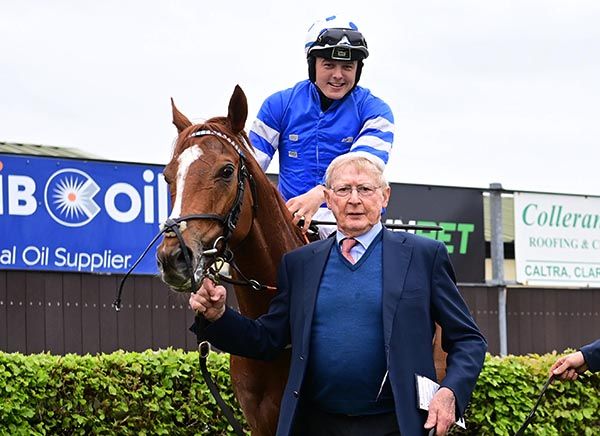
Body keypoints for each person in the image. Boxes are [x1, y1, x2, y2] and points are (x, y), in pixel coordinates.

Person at [190, 154, 487, 436]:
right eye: (343, 189)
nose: (354, 199)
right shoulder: (300, 263)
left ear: (384, 197)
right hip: (317, 425)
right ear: (329, 200)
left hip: (398, 424)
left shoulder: (424, 256)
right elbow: (268, 339)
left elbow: (468, 339)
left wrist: (450, 392)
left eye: (365, 189)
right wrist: (218, 317)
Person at [249, 15, 394, 235]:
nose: (338, 75)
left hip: (352, 225)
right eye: (328, 65)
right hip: (290, 222)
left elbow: (362, 168)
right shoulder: (277, 104)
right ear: (312, 65)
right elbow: (250, 167)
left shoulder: (376, 111)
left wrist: (321, 193)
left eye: (347, 66)